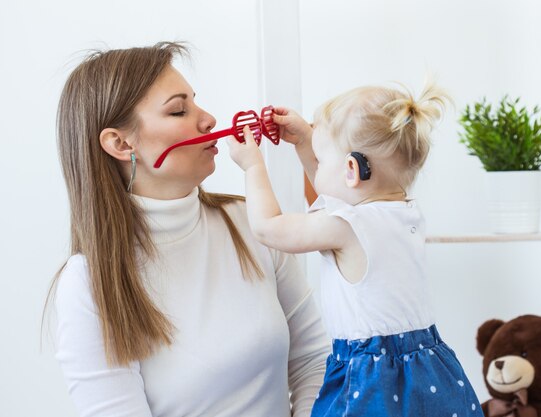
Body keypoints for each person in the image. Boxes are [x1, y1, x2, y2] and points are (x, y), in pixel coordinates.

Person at [49, 42, 328, 417]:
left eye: (196, 102)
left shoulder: (251, 223)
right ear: (119, 143)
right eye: (179, 110)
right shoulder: (87, 284)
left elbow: (314, 360)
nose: (209, 119)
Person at [227, 82, 484, 416]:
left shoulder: (346, 227)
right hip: (427, 369)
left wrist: (252, 166)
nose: (315, 166)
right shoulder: (405, 213)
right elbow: (335, 198)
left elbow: (269, 227)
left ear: (351, 169)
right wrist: (307, 142)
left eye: (319, 160)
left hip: (372, 378)